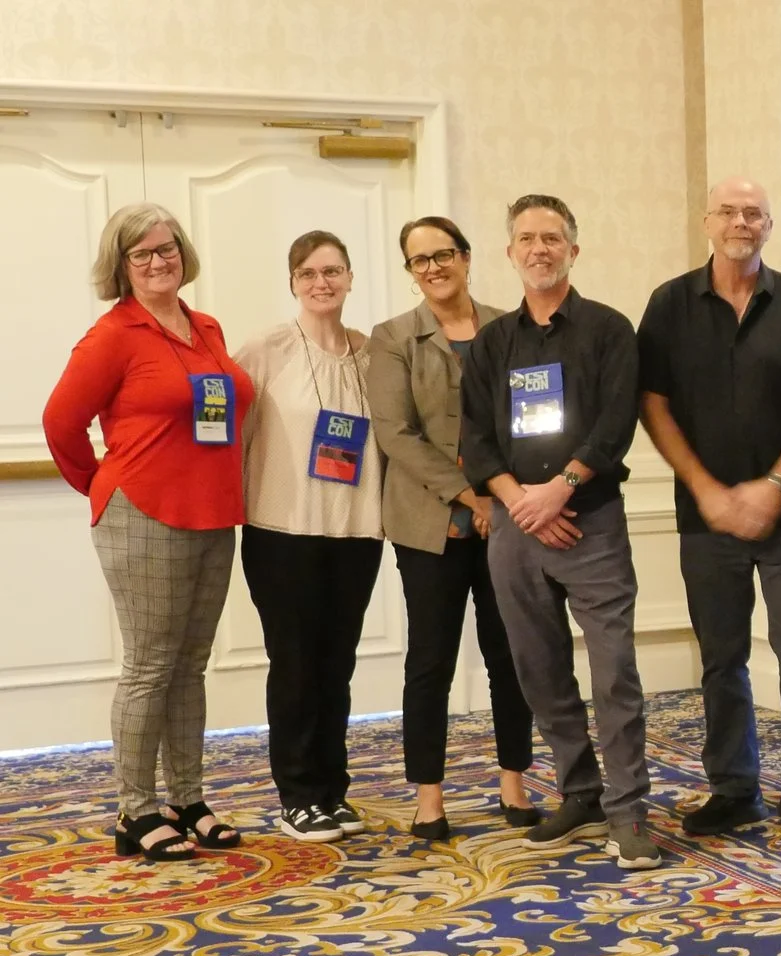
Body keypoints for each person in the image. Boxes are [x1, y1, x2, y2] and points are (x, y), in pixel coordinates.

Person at [638, 178, 781, 840]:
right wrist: (706, 488)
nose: (740, 221)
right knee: (721, 657)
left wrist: (776, 484)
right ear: (706, 220)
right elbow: (652, 403)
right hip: (705, 520)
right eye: (728, 210)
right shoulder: (669, 304)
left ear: (767, 225)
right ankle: (734, 788)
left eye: (753, 212)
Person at [44, 203, 254, 862]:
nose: (160, 262)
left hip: (212, 511)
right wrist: (107, 486)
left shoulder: (206, 326)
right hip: (145, 513)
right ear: (122, 266)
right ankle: (134, 810)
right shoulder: (113, 335)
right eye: (144, 255)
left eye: (167, 249)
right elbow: (60, 422)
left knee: (189, 665)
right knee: (150, 667)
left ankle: (187, 798)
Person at [460, 193, 658, 869]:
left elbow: (615, 422)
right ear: (509, 253)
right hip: (517, 527)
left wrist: (561, 488)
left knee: (614, 675)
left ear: (574, 249)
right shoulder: (493, 342)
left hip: (590, 520)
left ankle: (629, 811)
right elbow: (476, 438)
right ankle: (580, 793)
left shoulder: (607, 329)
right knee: (539, 671)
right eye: (526, 238)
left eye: (552, 237)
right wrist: (521, 501)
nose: (538, 248)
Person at [371, 217, 539, 841]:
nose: (434, 267)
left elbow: (526, 418)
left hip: (508, 520)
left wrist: (505, 497)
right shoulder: (392, 338)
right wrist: (473, 495)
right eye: (420, 260)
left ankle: (514, 786)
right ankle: (429, 800)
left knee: (510, 657)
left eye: (444, 255)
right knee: (431, 661)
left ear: (467, 258)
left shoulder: (510, 326)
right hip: (430, 524)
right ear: (410, 271)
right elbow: (396, 435)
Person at [233, 231, 386, 842]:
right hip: (283, 532)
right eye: (308, 272)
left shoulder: (374, 354)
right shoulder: (264, 350)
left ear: (350, 278)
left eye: (333, 271)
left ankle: (332, 790)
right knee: (295, 665)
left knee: (337, 665)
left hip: (356, 532)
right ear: (292, 281)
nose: (321, 282)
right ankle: (297, 794)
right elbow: (227, 437)